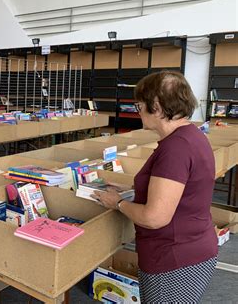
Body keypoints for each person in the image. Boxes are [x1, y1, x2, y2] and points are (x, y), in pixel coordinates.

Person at [93, 71, 217, 303]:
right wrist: (132, 187)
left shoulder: (175, 149)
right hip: (194, 248)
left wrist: (117, 203)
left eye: (139, 105)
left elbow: (155, 217)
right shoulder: (191, 136)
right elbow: (178, 187)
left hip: (172, 258)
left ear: (157, 106)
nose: (137, 111)